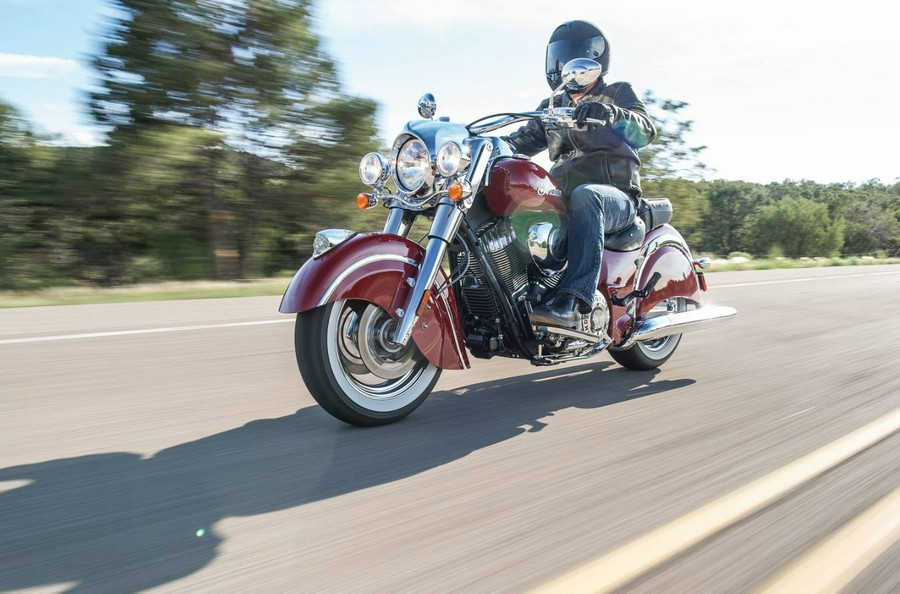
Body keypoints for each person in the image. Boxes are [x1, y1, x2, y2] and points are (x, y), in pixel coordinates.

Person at [504, 20, 658, 330]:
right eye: (562, 58)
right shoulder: (551, 108)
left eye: (578, 58)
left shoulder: (616, 93)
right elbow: (517, 142)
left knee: (588, 196)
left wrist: (612, 114)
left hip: (615, 198)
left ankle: (573, 302)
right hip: (564, 198)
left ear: (596, 63)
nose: (568, 66)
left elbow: (645, 130)